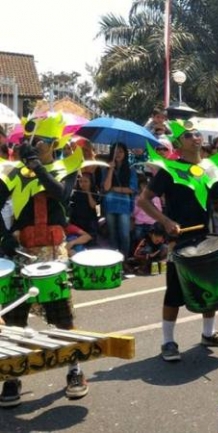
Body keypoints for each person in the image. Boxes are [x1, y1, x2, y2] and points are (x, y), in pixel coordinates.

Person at [0, 114, 88, 407]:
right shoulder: (14, 173)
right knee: (14, 317)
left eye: (41, 142)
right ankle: (11, 377)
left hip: (54, 251)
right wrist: (4, 237)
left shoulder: (67, 167)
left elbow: (60, 194)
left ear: (54, 145)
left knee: (62, 313)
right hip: (22, 250)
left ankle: (75, 371)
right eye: (33, 141)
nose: (35, 146)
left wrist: (36, 166)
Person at [137, 119, 218, 362]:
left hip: (206, 236)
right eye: (189, 135)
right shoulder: (169, 170)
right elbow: (143, 201)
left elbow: (216, 200)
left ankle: (208, 334)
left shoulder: (211, 168)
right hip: (177, 240)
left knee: (209, 286)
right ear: (179, 143)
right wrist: (166, 221)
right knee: (174, 291)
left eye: (196, 134)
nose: (196, 138)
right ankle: (168, 342)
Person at [102, 142, 138, 261]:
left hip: (124, 204)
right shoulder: (106, 168)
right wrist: (111, 170)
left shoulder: (131, 168)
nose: (118, 154)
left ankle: (125, 259)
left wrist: (115, 189)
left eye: (121, 151)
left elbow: (132, 189)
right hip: (109, 204)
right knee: (112, 234)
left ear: (125, 153)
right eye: (115, 151)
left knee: (124, 234)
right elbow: (106, 188)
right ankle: (114, 261)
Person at [69, 172, 100, 243]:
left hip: (90, 221)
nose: (83, 184)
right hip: (77, 220)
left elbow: (93, 206)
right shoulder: (75, 193)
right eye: (81, 181)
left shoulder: (95, 192)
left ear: (90, 182)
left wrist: (88, 192)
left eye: (86, 181)